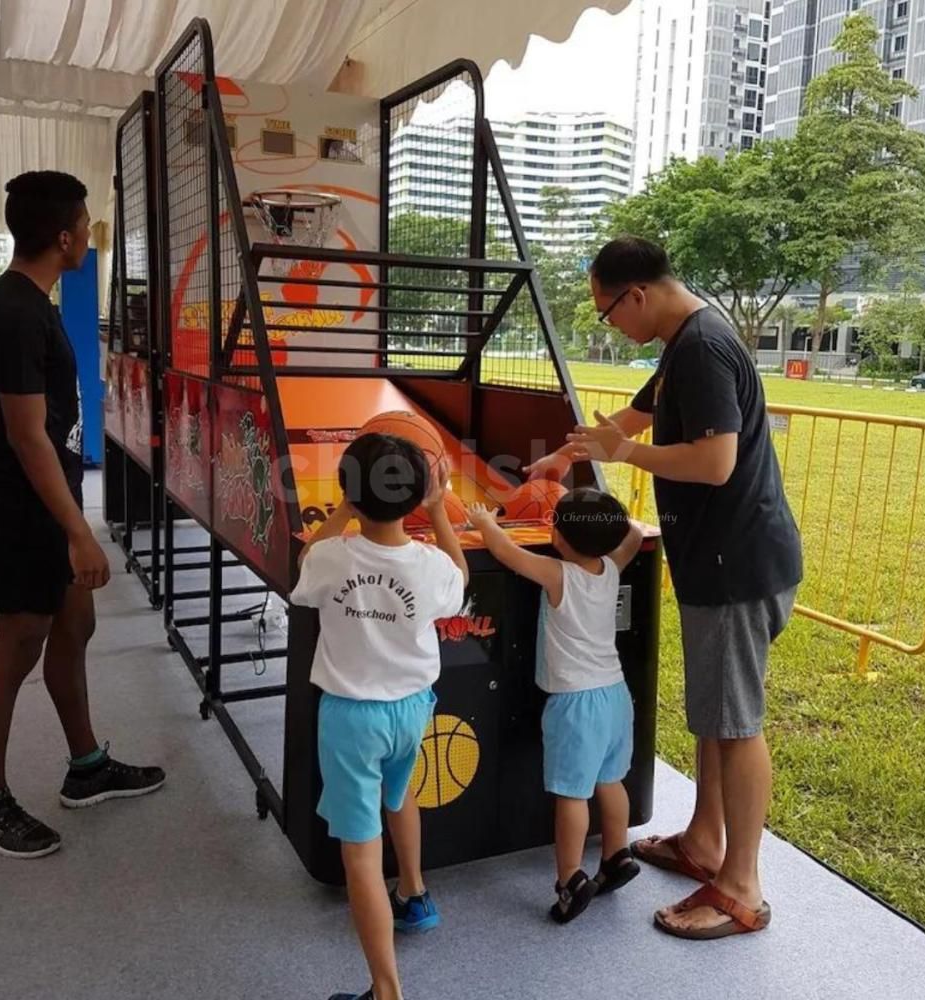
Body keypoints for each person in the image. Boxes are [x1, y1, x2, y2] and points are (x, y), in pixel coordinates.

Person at [528, 236, 802, 940]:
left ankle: (741, 886)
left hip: (736, 564)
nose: (609, 324)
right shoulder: (684, 342)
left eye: (607, 311)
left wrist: (624, 455)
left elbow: (715, 462)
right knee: (716, 712)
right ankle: (705, 841)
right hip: (718, 561)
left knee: (736, 725)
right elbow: (632, 415)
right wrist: (565, 457)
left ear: (637, 294)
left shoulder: (704, 347)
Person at [0, 171, 165, 860]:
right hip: (13, 503)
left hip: (39, 493)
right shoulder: (16, 311)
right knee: (18, 644)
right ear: (63, 236)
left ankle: (86, 766)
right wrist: (79, 529)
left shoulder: (33, 300)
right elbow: (25, 435)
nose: (90, 235)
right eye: (86, 225)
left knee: (75, 621)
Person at [290, 433, 469, 1000]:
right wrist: (439, 512)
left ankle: (386, 991)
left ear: (348, 491)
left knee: (361, 855)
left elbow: (302, 563)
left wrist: (342, 507)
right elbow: (461, 579)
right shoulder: (430, 564)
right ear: (416, 497)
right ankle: (414, 893)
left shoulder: (330, 556)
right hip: (413, 712)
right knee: (400, 792)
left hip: (351, 720)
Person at [468, 489, 644, 924]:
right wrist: (621, 528)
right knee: (611, 781)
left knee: (572, 794)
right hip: (616, 696)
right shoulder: (609, 568)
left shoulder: (557, 574)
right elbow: (635, 534)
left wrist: (485, 523)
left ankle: (570, 879)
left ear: (559, 537)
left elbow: (506, 553)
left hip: (575, 703)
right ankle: (616, 855)